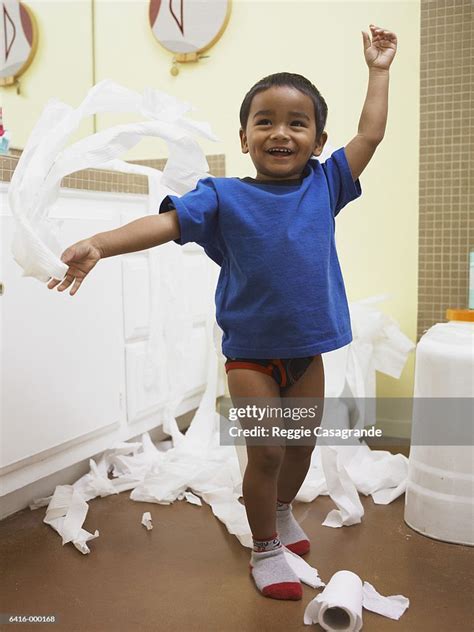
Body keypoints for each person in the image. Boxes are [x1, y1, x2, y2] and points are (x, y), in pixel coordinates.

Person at [48, 25, 397, 601]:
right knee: (266, 451)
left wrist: (378, 72)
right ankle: (265, 549)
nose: (280, 132)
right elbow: (161, 225)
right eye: (265, 120)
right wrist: (101, 244)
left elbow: (372, 133)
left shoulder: (326, 183)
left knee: (301, 446)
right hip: (252, 357)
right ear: (244, 136)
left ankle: (282, 514)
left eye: (296, 122)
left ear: (317, 139)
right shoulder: (221, 195)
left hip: (307, 352)